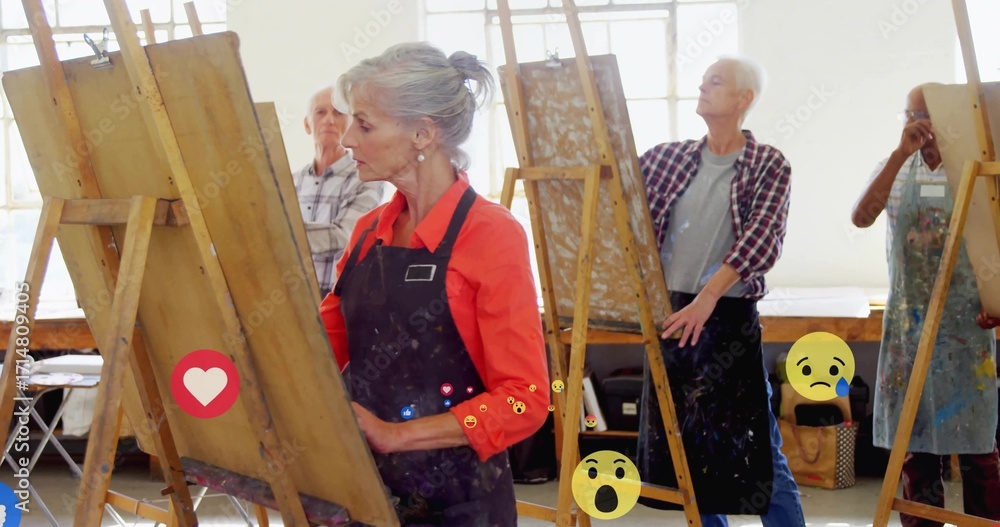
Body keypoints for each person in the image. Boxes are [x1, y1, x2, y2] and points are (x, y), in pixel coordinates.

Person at [318, 43, 549, 526]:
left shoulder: (491, 235)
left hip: (458, 504)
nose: (347, 141)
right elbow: (319, 349)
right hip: (363, 494)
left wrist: (395, 435)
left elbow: (524, 399)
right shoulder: (367, 233)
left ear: (423, 133)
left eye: (364, 125)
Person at [637, 56, 805, 527]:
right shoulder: (666, 158)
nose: (703, 86)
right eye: (703, 80)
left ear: (743, 99)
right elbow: (617, 189)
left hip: (726, 315)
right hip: (672, 313)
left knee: (756, 446)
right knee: (693, 451)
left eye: (716, 82)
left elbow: (762, 238)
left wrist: (706, 299)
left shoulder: (768, 164)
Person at [851, 84, 1000, 527]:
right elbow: (861, 217)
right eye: (910, 113)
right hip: (909, 327)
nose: (919, 123)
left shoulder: (976, 170)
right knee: (915, 449)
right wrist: (900, 154)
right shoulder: (894, 167)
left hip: (967, 326)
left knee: (980, 449)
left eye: (928, 114)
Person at [293, 85, 384, 298]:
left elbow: (346, 236)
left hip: (338, 302)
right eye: (320, 112)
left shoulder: (366, 178)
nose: (329, 120)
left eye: (338, 113)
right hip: (295, 300)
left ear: (351, 123)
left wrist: (280, 234)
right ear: (307, 124)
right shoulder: (291, 180)